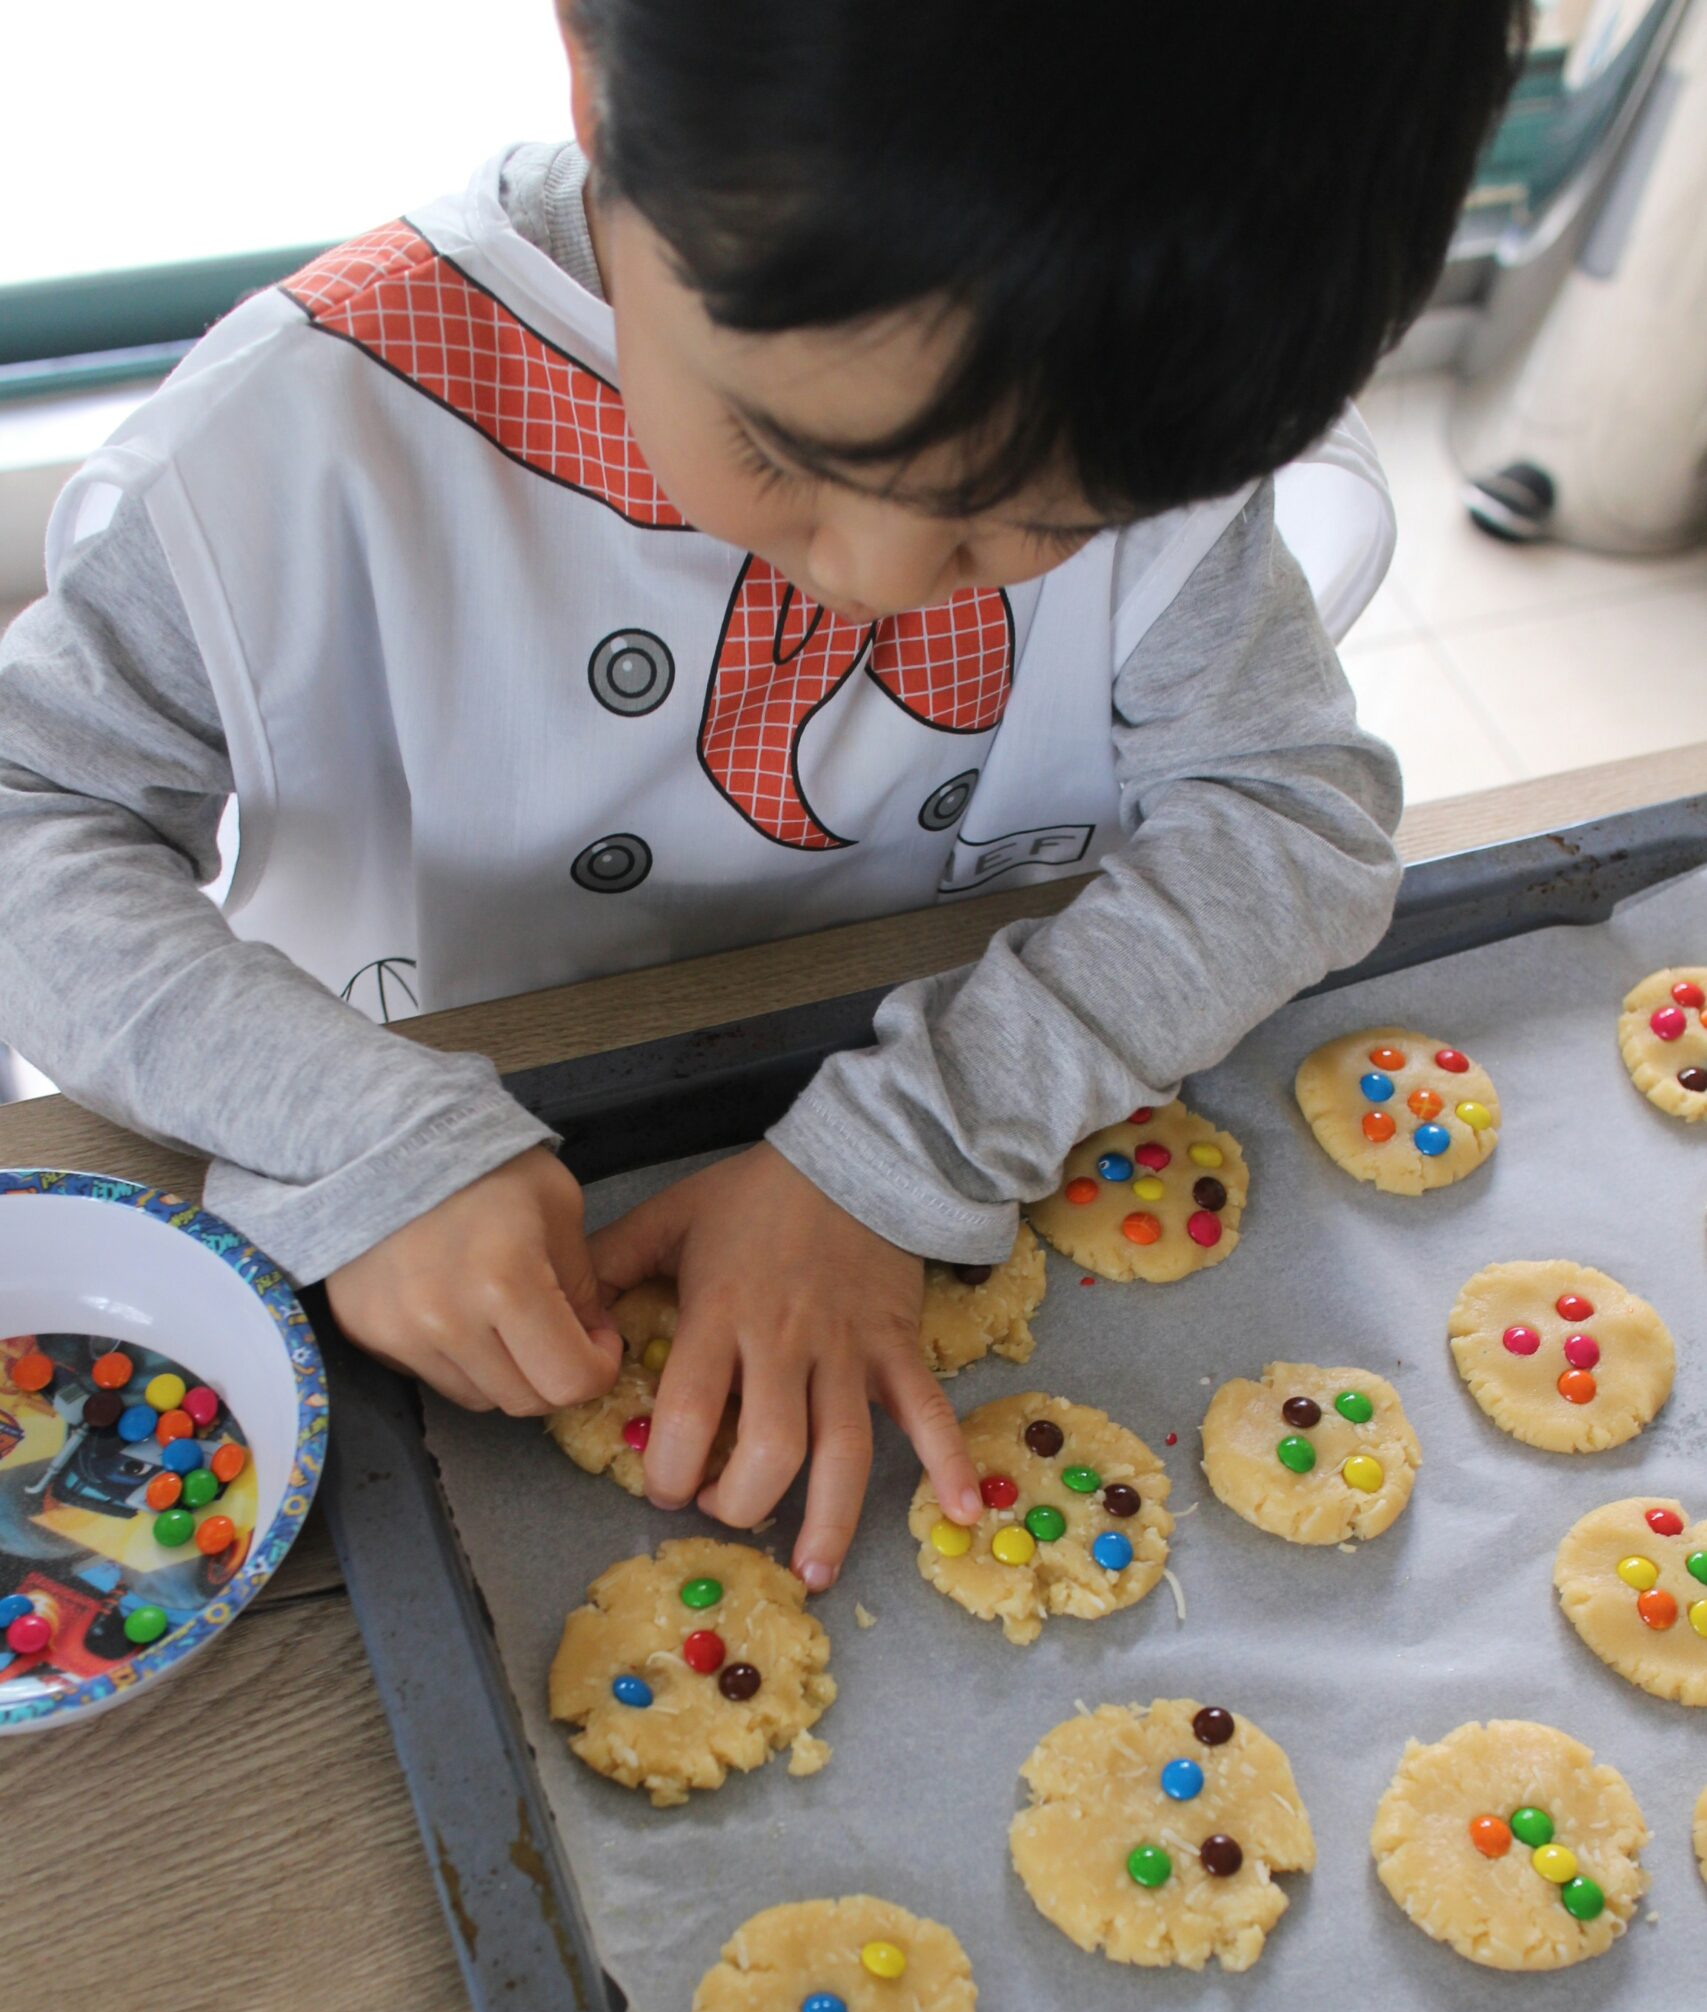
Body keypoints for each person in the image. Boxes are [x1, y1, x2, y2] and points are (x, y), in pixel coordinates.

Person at [0, 0, 1526, 1588]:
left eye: (1033, 526)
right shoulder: (300, 449)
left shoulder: (1155, 370)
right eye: (779, 448)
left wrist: (900, 1150)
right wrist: (358, 1135)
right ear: (597, 80)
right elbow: (32, 816)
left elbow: (1295, 818)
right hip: (411, 1171)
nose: (876, 583)